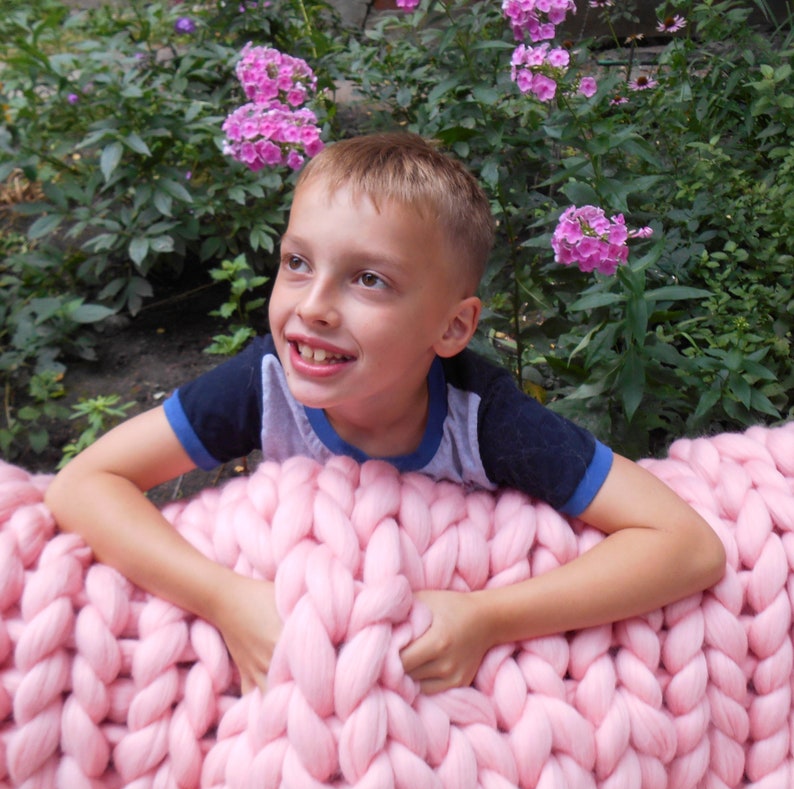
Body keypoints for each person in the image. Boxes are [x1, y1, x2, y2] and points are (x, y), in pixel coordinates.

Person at [45, 132, 726, 696]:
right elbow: (85, 482)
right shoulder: (264, 383)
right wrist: (223, 598)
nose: (312, 305)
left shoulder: (484, 419)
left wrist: (487, 619)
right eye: (297, 262)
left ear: (453, 328)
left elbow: (685, 545)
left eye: (369, 279)